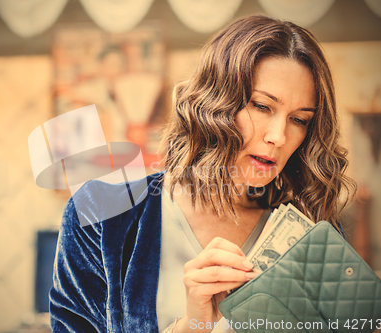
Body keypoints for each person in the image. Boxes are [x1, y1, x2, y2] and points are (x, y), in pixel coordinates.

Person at [49, 15, 356, 333]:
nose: (279, 136)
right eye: (262, 106)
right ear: (215, 104)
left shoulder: (313, 225)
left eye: (300, 119)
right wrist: (191, 326)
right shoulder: (101, 214)